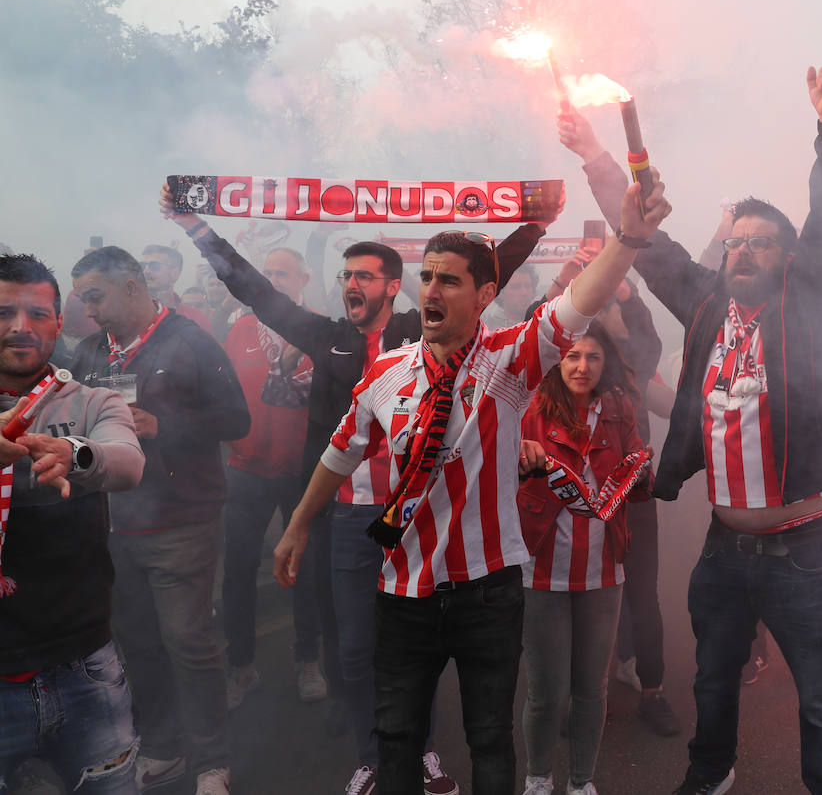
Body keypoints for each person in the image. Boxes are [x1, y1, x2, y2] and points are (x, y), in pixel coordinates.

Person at [271, 174, 670, 795]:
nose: (431, 290)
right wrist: (297, 526)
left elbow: (579, 305)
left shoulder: (510, 361)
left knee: (488, 736)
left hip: (488, 589)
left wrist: (627, 239)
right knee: (398, 732)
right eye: (426, 277)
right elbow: (339, 452)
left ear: (484, 294)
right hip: (403, 588)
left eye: (449, 280)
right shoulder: (386, 371)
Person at [161, 191, 550, 795]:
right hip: (345, 517)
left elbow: (487, 272)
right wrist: (194, 227)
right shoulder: (326, 337)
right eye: (345, 275)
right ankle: (374, 754)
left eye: (364, 276)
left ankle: (422, 754)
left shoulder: (419, 328)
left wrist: (536, 224)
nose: (351, 284)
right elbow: (256, 292)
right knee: (353, 645)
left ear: (394, 287)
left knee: (417, 649)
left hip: (416, 515)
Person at [560, 66, 822, 795]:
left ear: (788, 259)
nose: (744, 252)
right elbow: (645, 237)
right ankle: (710, 774)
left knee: (820, 696)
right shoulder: (701, 302)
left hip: (807, 548)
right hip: (725, 547)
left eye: (762, 244)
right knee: (714, 677)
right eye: (737, 243)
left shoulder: (810, 302)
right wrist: (597, 157)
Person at [68, 246, 251, 795]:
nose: (89, 310)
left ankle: (213, 761)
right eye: (81, 300)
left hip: (181, 523)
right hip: (113, 525)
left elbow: (236, 419)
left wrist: (162, 423)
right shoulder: (89, 352)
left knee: (189, 644)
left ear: (131, 287)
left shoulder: (191, 339)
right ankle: (164, 748)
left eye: (95, 296)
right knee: (138, 644)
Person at [0, 253, 146, 794]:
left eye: (38, 314)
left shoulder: (91, 401)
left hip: (84, 664)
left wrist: (73, 453)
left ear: (60, 323)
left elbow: (128, 463)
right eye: (5, 312)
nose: (21, 326)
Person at [517, 322, 652, 795]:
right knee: (546, 692)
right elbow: (495, 472)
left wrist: (643, 469)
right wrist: (519, 461)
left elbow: (639, 476)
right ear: (557, 360)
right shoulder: (531, 409)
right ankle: (537, 779)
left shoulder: (618, 409)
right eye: (572, 355)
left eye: (592, 357)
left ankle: (581, 782)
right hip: (541, 569)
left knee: (592, 689)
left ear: (604, 363)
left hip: (603, 570)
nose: (582, 366)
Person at [219, 247, 327, 710]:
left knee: (305, 569)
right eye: (268, 273)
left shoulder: (322, 328)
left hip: (304, 471)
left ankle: (308, 659)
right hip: (245, 470)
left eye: (283, 273)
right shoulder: (240, 328)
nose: (274, 280)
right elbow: (224, 393)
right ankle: (241, 666)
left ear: (302, 279)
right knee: (239, 572)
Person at [141, 244, 214, 334]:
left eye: (155, 266)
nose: (146, 271)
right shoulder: (129, 316)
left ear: (175, 272)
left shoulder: (196, 318)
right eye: (143, 266)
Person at [484, 265, 539, 330]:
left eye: (527, 286)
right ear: (501, 293)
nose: (524, 292)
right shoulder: (488, 328)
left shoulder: (542, 323)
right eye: (516, 287)